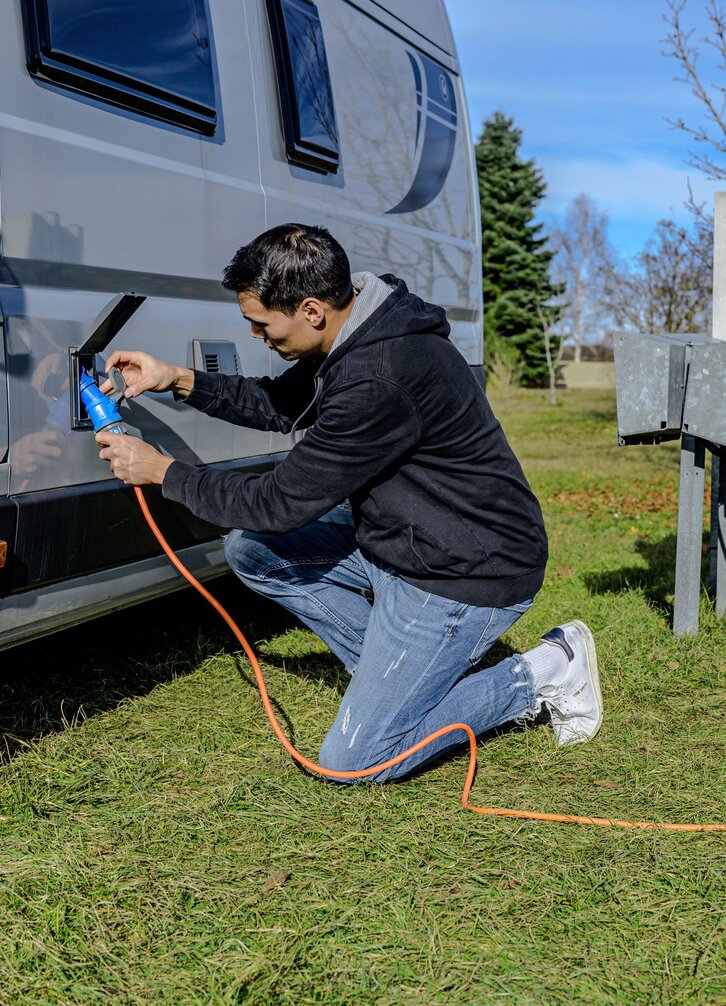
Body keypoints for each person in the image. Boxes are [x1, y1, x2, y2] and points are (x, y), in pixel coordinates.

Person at [96, 223, 602, 781]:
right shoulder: (359, 331)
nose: (256, 336)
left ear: (311, 310)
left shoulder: (381, 375)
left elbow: (279, 503)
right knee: (255, 552)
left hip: (464, 571)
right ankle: (406, 681)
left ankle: (547, 669)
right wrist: (179, 379)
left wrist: (162, 471)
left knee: (357, 760)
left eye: (261, 324)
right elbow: (280, 404)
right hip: (409, 540)